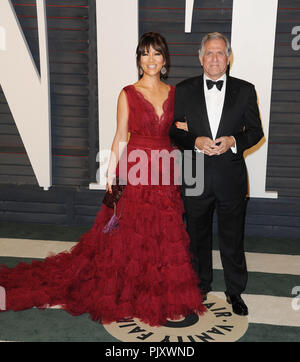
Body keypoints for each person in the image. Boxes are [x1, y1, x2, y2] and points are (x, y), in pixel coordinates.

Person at [0, 32, 206, 327]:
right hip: (134, 170)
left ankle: (154, 293)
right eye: (145, 53)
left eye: (156, 54)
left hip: (164, 170)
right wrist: (111, 174)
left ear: (165, 61)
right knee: (128, 235)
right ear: (139, 60)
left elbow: (178, 131)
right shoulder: (127, 93)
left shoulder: (175, 94)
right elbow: (121, 135)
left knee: (163, 234)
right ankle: (125, 295)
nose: (150, 60)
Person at [169, 32, 264, 316]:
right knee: (196, 236)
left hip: (230, 177)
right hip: (194, 174)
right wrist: (194, 141)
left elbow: (256, 132)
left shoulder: (246, 90)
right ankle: (200, 287)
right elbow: (174, 131)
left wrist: (234, 141)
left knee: (232, 238)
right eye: (209, 53)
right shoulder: (183, 90)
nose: (214, 58)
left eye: (220, 53)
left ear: (228, 58)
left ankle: (235, 291)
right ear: (200, 58)